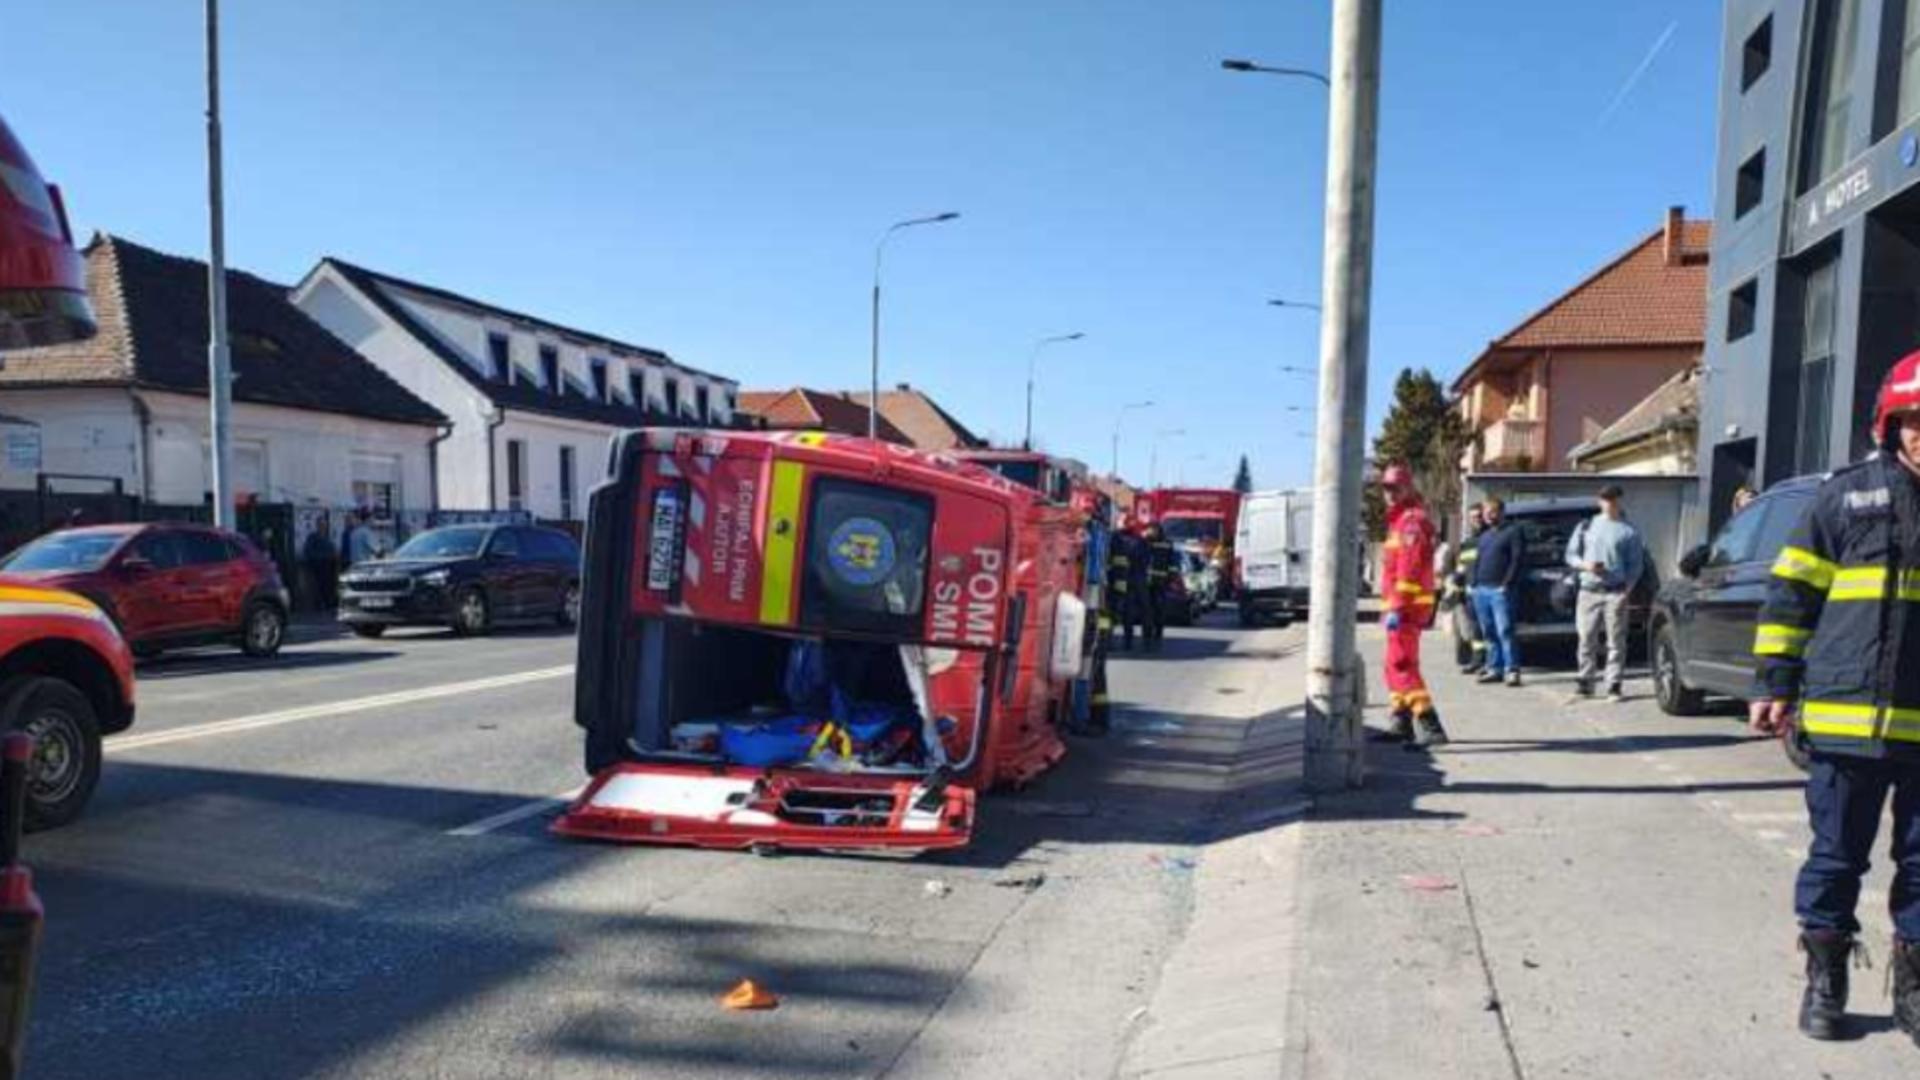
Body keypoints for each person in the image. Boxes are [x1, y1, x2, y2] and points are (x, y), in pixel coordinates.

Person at [1750, 348, 1920, 1048]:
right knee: (1835, 858)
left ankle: (1912, 984)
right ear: (1892, 423)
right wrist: (1774, 683)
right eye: (1915, 420)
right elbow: (1792, 593)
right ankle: (1826, 979)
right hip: (1845, 720)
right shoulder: (1846, 497)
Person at [1373, 463, 1448, 747]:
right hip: (1402, 606)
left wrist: (1396, 607)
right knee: (1395, 665)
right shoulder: (1400, 521)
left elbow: (1409, 571)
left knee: (1401, 664)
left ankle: (1429, 724)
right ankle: (1400, 721)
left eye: (1395, 488)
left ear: (1407, 488)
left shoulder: (1411, 522)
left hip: (1406, 608)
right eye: (1386, 488)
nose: (1390, 494)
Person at [1566, 484, 1645, 702]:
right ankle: (1585, 682)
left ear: (1619, 501)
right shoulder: (1586, 526)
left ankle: (1613, 684)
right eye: (1605, 499)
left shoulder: (1628, 531)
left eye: (1613, 499)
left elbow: (1636, 565)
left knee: (1616, 640)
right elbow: (1570, 556)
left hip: (1615, 592)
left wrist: (1626, 590)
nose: (1609, 503)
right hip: (1588, 590)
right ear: (1599, 502)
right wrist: (1586, 565)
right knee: (1585, 638)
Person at [1470, 496, 1525, 687]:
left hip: (1500, 591)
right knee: (1489, 632)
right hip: (1481, 590)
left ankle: (1512, 670)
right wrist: (1474, 584)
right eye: (1486, 513)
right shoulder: (1484, 536)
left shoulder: (1513, 532)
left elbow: (1516, 560)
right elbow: (1477, 561)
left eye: (1492, 512)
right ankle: (1494, 668)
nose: (1488, 516)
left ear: (1501, 512)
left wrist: (1506, 584)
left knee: (1505, 631)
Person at [1447, 504, 1489, 674]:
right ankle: (1477, 660)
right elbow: (1461, 568)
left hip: (1486, 589)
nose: (1476, 520)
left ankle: (1491, 663)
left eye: (1479, 516)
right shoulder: (1468, 543)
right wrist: (1456, 588)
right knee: (1475, 629)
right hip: (1470, 591)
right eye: (1473, 517)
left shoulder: (1489, 538)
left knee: (1490, 629)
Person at [1111, 525, 1145, 651]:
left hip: (1115, 580)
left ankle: (1109, 640)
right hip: (1128, 581)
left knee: (1113, 612)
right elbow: (1143, 562)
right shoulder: (1139, 541)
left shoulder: (1114, 538)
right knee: (1127, 614)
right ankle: (1127, 641)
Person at [1142, 522, 1176, 651]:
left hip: (1160, 582)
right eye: (1150, 529)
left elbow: (1172, 563)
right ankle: (1147, 635)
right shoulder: (1144, 542)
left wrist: (1170, 578)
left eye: (1154, 529)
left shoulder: (1167, 543)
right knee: (1146, 609)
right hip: (1145, 582)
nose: (1152, 531)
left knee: (1159, 609)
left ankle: (1158, 632)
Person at [302, 513, 340, 611]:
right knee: (320, 586)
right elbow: (308, 551)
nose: (323, 526)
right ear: (317, 525)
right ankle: (321, 604)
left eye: (324, 525)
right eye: (321, 524)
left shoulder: (327, 536)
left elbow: (332, 549)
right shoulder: (313, 537)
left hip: (330, 565)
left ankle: (329, 603)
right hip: (319, 565)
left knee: (329, 585)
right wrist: (318, 559)